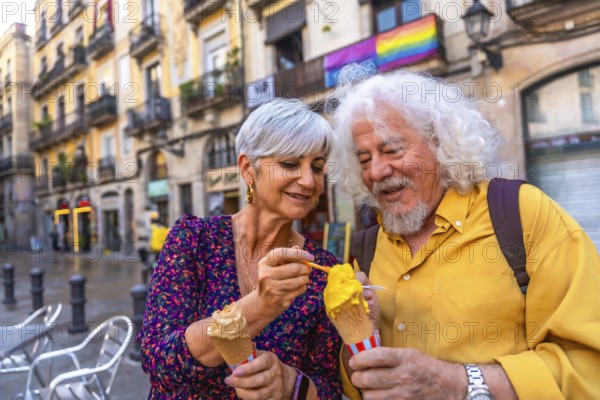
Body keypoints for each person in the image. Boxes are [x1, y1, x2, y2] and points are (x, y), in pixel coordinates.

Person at [329, 66, 600, 399]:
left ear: (440, 142)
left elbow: (588, 364)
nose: (377, 171)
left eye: (392, 150)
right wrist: (360, 342)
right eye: (364, 158)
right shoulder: (368, 247)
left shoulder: (521, 213)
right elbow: (357, 385)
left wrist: (455, 383)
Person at [139, 98, 343, 399]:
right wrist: (259, 306)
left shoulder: (322, 270)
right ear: (248, 169)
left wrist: (291, 384)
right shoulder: (194, 240)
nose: (308, 180)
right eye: (290, 163)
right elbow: (158, 360)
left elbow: (330, 387)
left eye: (317, 167)